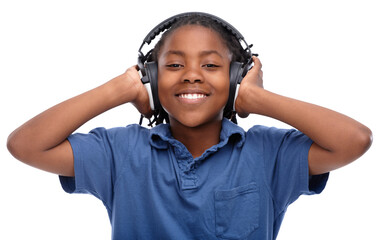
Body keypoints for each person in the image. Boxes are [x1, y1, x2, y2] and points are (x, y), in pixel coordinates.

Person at [7, 12, 372, 239]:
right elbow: (26, 146)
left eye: (212, 66)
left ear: (236, 77)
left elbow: (354, 140)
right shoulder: (119, 152)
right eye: (174, 65)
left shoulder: (269, 153)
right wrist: (119, 89)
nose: (193, 76)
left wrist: (256, 98)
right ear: (150, 76)